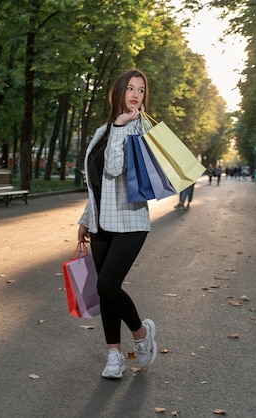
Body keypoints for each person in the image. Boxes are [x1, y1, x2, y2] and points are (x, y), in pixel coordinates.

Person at [77, 69, 157, 379]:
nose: (136, 94)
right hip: (101, 224)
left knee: (106, 285)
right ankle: (114, 355)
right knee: (107, 292)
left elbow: (114, 169)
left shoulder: (141, 132)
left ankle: (140, 334)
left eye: (141, 90)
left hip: (131, 220)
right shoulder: (103, 131)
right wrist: (86, 219)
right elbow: (98, 182)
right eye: (131, 88)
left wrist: (122, 127)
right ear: (119, 92)